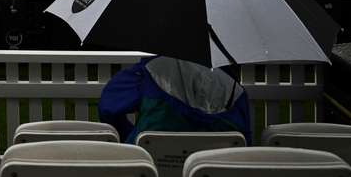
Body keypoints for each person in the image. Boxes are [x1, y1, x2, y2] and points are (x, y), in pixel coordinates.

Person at [99, 56, 252, 145]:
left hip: (150, 171)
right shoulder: (235, 90)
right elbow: (244, 140)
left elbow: (108, 108)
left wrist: (131, 136)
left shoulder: (148, 71)